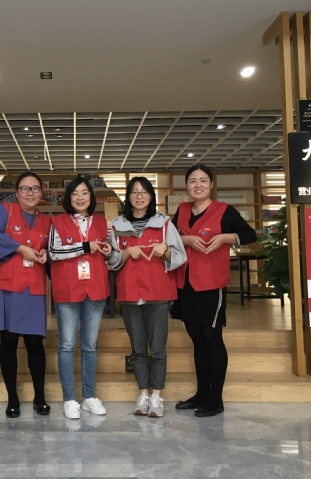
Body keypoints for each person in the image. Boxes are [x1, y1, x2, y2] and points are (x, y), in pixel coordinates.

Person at [173, 164, 257, 418]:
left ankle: (215, 399)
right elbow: (170, 237)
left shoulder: (224, 210)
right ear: (187, 186)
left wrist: (224, 238)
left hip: (211, 283)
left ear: (211, 184)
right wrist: (186, 240)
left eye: (203, 180)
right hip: (185, 281)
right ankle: (201, 394)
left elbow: (249, 234)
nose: (197, 185)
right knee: (196, 337)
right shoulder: (182, 209)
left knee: (211, 337)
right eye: (192, 181)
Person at [107, 176, 186, 418]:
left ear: (151, 196)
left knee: (158, 348)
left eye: (144, 192)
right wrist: (125, 253)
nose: (139, 196)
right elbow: (110, 260)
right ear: (128, 197)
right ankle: (143, 393)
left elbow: (180, 256)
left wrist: (166, 249)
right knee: (138, 349)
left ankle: (157, 396)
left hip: (158, 294)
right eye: (134, 192)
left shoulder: (164, 224)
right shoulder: (117, 226)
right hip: (130, 294)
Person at [0, 172, 52, 418]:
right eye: (25, 188)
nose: (30, 193)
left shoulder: (46, 221)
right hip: (8, 286)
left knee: (35, 343)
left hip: (34, 287)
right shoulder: (5, 210)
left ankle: (39, 396)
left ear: (41, 193)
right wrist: (21, 248)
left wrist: (45, 255)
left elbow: (49, 250)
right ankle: (12, 398)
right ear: (16, 193)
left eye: (35, 188)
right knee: (9, 341)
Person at [49, 177, 111, 420]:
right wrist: (85, 247)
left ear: (91, 197)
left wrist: (108, 250)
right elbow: (54, 251)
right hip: (67, 290)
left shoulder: (102, 221)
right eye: (75, 193)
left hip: (95, 288)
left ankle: (88, 397)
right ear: (68, 198)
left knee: (90, 346)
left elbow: (107, 251)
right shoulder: (57, 222)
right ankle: (69, 399)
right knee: (66, 345)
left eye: (85, 193)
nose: (80, 197)